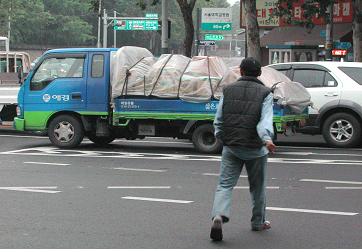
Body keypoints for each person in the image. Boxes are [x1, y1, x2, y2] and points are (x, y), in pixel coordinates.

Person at [210, 57, 276, 242]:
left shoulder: (228, 90)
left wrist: (220, 135)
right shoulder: (265, 93)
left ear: (240, 71)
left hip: (231, 146)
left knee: (224, 185)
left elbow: (219, 119)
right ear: (259, 73)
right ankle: (258, 222)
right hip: (255, 148)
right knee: (257, 188)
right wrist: (267, 139)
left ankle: (219, 215)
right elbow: (265, 121)